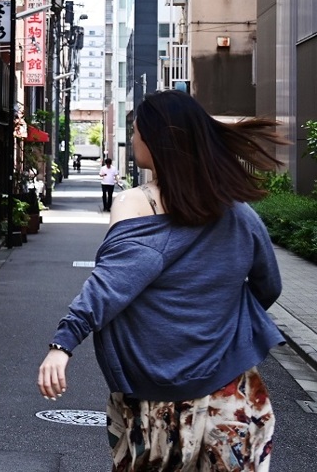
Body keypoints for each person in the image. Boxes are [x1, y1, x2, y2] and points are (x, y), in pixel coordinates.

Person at [37, 90, 286, 471]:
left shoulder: (137, 204)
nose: (134, 139)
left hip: (153, 398)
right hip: (233, 395)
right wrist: (221, 318)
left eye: (137, 131)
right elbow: (269, 287)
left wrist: (62, 343)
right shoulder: (240, 214)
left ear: (159, 140)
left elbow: (110, 285)